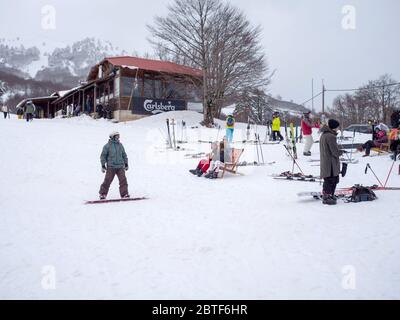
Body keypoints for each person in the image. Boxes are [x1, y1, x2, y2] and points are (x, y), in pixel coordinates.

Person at [99, 132, 130, 200]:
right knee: (107, 181)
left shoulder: (120, 145)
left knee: (123, 180)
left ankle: (124, 194)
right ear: (112, 137)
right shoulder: (107, 146)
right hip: (111, 167)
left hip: (120, 167)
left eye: (118, 136)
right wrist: (103, 165)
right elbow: (103, 156)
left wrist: (126, 163)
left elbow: (124, 155)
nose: (118, 138)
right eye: (116, 136)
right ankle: (102, 194)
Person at [320, 119, 343, 205]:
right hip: (331, 163)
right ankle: (327, 197)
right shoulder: (331, 136)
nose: (338, 128)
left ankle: (330, 195)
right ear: (334, 127)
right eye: (337, 127)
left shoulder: (324, 135)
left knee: (330, 179)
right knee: (331, 180)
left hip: (327, 161)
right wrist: (341, 152)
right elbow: (335, 152)